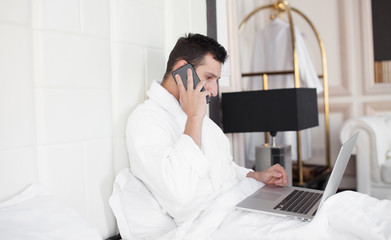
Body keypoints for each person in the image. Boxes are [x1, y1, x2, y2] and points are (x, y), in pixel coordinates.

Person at [125, 33, 288, 225]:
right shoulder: (146, 120)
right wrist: (194, 118)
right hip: (209, 224)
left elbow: (224, 169)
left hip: (237, 208)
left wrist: (255, 176)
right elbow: (179, 191)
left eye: (216, 80)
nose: (214, 90)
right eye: (209, 77)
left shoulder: (202, 119)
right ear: (182, 70)